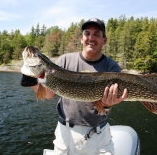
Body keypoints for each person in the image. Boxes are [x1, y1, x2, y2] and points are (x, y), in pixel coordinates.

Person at [21, 18, 128, 155]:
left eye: (96, 34)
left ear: (104, 40)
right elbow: (49, 95)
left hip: (98, 136)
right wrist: (33, 83)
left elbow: (107, 103)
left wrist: (107, 105)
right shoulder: (64, 60)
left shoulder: (111, 67)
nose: (91, 37)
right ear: (82, 38)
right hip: (65, 134)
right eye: (87, 33)